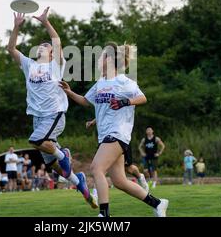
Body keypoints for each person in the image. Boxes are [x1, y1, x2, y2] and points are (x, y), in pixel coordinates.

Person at [60, 42, 169, 217]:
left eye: (101, 56)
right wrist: (69, 92)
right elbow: (86, 101)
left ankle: (104, 215)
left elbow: (142, 98)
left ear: (109, 60)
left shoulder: (123, 81)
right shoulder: (101, 82)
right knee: (119, 181)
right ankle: (158, 204)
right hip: (105, 135)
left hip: (118, 134)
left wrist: (126, 102)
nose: (97, 60)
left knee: (96, 168)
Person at [7, 8, 96, 208]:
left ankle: (63, 153)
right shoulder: (29, 65)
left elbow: (56, 41)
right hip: (38, 118)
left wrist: (46, 22)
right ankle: (79, 182)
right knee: (53, 165)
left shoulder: (56, 65)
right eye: (39, 45)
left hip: (53, 114)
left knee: (36, 140)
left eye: (45, 46)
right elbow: (11, 49)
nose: (41, 47)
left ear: (52, 53)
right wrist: (15, 28)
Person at [86, 118, 149, 192]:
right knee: (100, 168)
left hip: (121, 138)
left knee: (129, 168)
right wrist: (92, 122)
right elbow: (103, 112)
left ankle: (140, 176)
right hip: (106, 140)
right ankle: (95, 194)